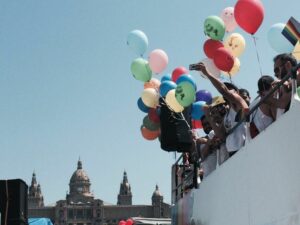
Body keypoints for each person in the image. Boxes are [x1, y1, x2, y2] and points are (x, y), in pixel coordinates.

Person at [193, 62, 249, 157]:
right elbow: (221, 135)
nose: (228, 91)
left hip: (244, 148)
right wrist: (208, 116)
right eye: (227, 89)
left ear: (237, 92)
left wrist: (207, 73)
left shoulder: (239, 103)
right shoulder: (227, 115)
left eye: (230, 89)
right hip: (232, 153)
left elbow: (224, 90)